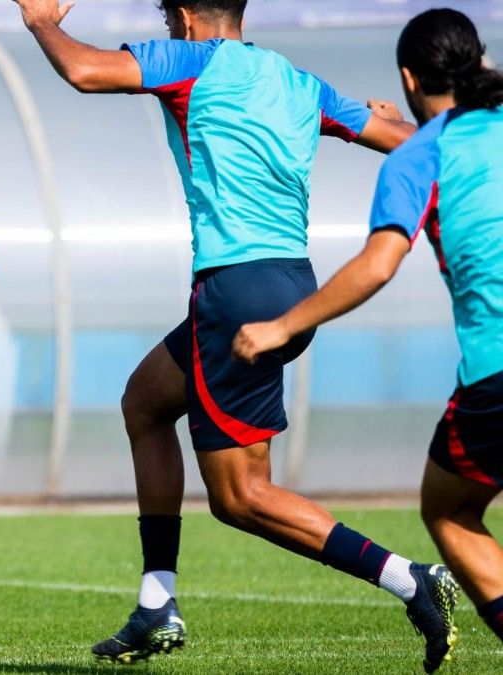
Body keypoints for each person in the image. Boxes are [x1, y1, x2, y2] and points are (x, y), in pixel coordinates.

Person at [12, 0, 455, 669]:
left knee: (240, 495)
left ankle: (408, 577)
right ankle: (156, 602)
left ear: (186, 15)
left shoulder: (189, 62)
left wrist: (42, 21)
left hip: (233, 291)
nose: (164, 29)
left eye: (165, 16)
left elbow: (81, 68)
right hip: (288, 282)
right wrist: (414, 120)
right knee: (145, 400)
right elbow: (403, 140)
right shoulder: (300, 82)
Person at [235, 8, 503, 670]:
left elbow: (379, 263)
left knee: (449, 509)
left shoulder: (421, 155)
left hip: (496, 377)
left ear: (410, 79)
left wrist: (282, 324)